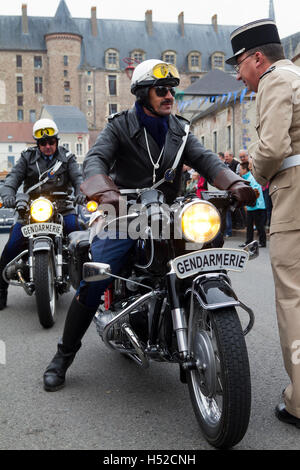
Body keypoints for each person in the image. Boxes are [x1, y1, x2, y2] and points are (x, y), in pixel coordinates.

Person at [43, 58, 256, 392]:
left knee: (206, 257)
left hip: (170, 213)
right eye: (161, 90)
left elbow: (207, 160)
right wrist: (105, 191)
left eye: (171, 89)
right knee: (99, 275)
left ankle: (213, 325)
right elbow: (96, 159)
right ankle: (63, 356)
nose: (169, 95)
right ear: (143, 93)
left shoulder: (181, 131)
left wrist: (233, 183)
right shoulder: (120, 126)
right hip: (124, 212)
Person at [226, 18, 300, 427]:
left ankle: (299, 402)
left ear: (258, 58)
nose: (238, 74)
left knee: (293, 298)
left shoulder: (274, 79)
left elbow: (272, 148)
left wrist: (253, 171)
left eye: (240, 63)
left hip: (294, 194)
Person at [0, 118, 85, 310]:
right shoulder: (26, 158)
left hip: (62, 206)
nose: (47, 146)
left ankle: (89, 288)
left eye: (51, 142)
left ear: (57, 141)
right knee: (12, 245)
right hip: (32, 208)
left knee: (80, 237)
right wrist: (7, 195)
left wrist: (82, 193)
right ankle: (1, 292)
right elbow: (12, 179)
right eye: (43, 143)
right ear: (37, 144)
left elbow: (79, 179)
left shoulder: (68, 158)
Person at [238, 162, 266, 248]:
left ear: (244, 169)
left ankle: (262, 242)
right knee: (249, 225)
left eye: (240, 169)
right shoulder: (246, 178)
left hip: (257, 206)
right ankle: (248, 242)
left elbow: (255, 191)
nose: (239, 171)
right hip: (251, 206)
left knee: (259, 225)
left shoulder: (252, 178)